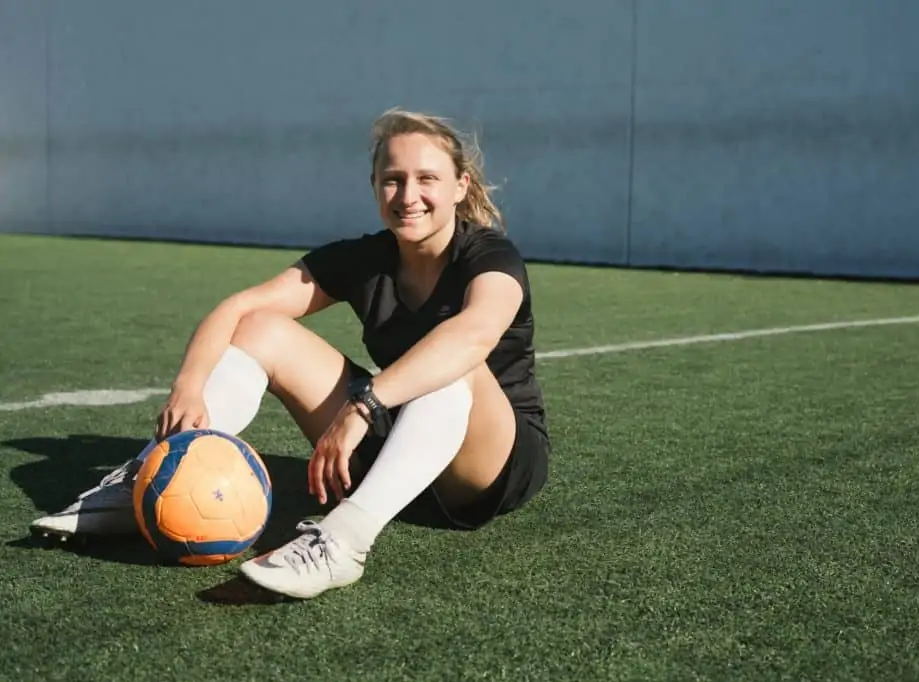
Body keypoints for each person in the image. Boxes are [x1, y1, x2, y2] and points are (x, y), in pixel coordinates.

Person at [30, 107, 551, 600]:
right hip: (398, 449)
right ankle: (145, 484)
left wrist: (365, 404)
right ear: (374, 186)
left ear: (460, 186)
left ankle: (342, 542)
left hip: (486, 467)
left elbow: (471, 337)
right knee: (262, 327)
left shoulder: (489, 255)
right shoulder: (364, 258)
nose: (408, 194)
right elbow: (237, 309)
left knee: (452, 367)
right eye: (393, 178)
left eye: (426, 179)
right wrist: (188, 387)